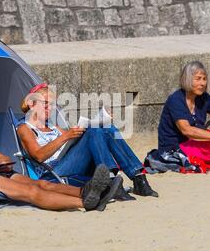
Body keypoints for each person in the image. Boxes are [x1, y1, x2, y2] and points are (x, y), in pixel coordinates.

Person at [0, 85, 122, 212]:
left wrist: (2, 160)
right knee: (31, 193)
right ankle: (85, 203)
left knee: (43, 184)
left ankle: (86, 192)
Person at [17, 83, 158, 197]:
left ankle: (138, 178)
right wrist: (66, 136)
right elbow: (38, 155)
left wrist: (83, 129)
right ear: (31, 104)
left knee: (105, 127)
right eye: (46, 103)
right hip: (52, 172)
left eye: (52, 105)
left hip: (69, 162)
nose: (50, 108)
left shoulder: (53, 127)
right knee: (93, 132)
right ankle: (111, 180)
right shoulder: (25, 128)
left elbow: (71, 144)